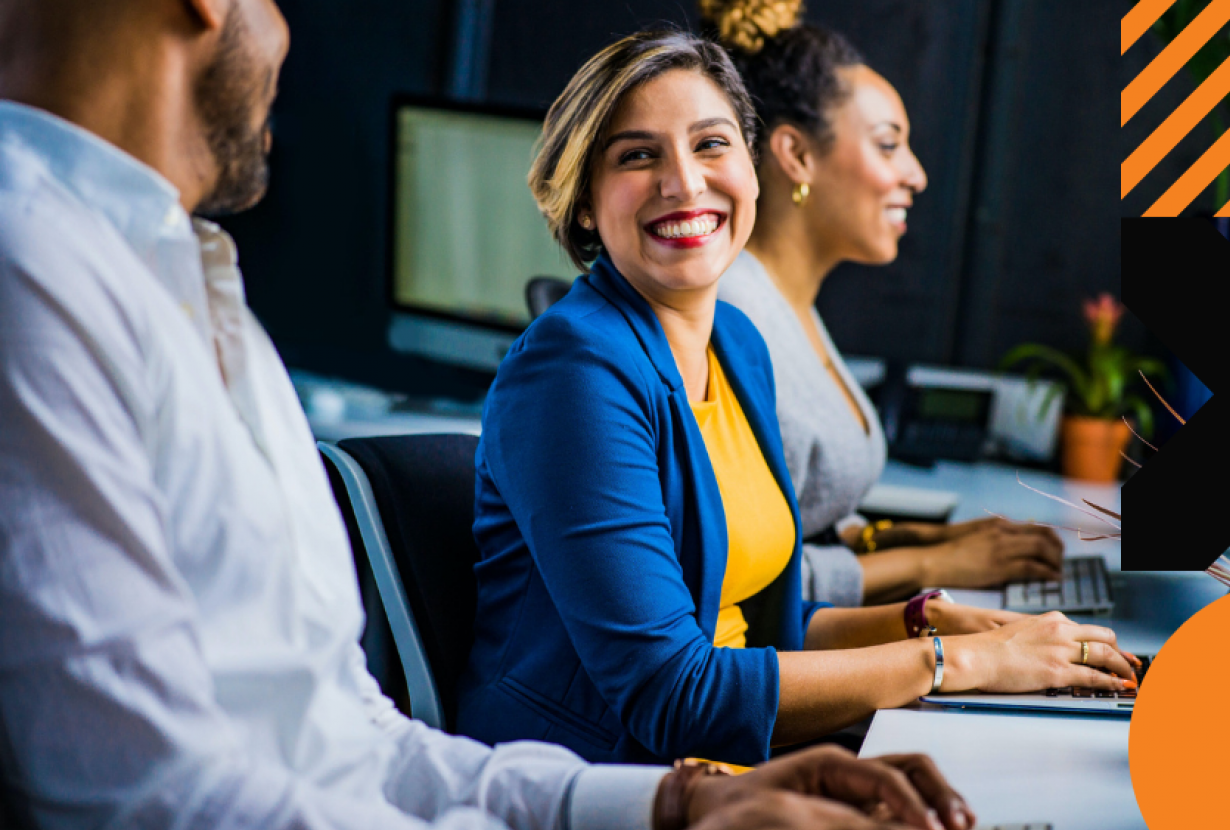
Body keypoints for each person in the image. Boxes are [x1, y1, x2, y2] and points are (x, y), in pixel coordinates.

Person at [0, 1, 977, 828]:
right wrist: (937, 657)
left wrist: (670, 806)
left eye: (711, 144)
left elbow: (349, 734)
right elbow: (153, 793)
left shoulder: (192, 286)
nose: (288, 28)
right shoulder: (34, 273)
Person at [458, 27, 1138, 770]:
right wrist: (957, 662)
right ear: (585, 203)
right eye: (637, 155)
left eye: (711, 144)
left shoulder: (738, 344)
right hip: (601, 781)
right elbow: (670, 694)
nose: (684, 182)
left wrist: (927, 621)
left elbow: (762, 630)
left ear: (752, 169)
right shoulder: (573, 371)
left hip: (736, 764)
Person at [703, 0, 1066, 608]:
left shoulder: (789, 305)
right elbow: (738, 578)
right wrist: (929, 562)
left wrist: (915, 536)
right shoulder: (736, 320)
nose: (917, 175)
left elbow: (800, 515)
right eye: (888, 145)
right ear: (796, 155)